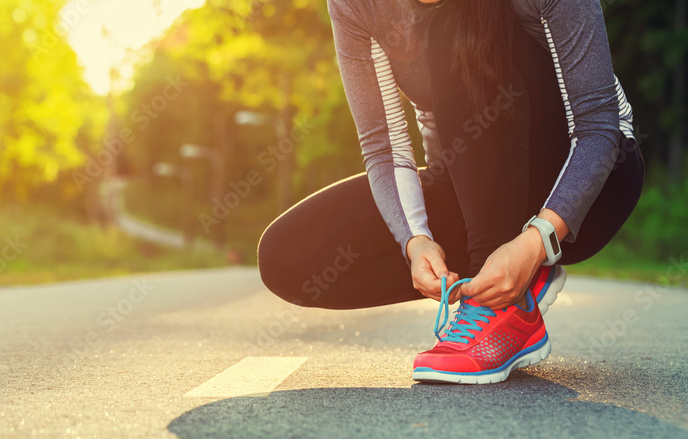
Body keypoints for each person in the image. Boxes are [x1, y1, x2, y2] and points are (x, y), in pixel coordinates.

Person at [257, 0, 644, 384]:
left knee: (454, 25)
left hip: (592, 189)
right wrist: (416, 242)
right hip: (476, 187)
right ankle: (506, 275)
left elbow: (599, 126)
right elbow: (384, 147)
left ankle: (504, 308)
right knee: (287, 256)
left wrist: (537, 241)